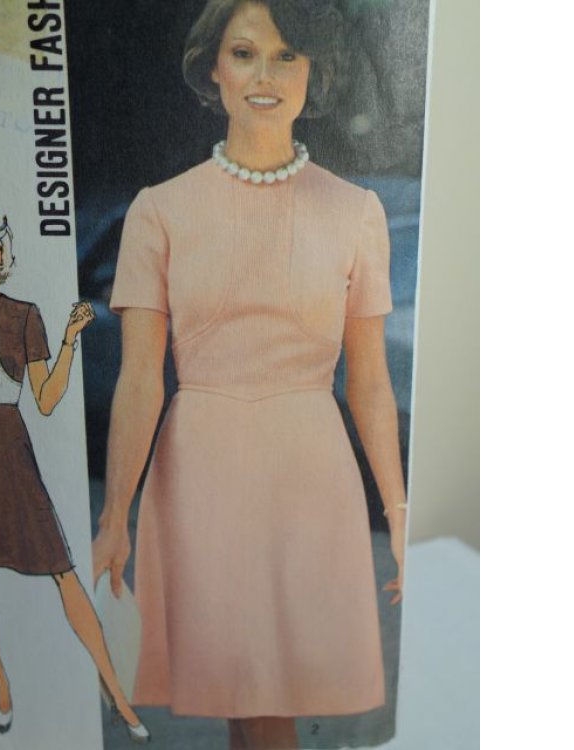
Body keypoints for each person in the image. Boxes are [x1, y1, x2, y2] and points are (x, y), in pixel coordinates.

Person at [92, 1, 408, 749]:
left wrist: (398, 512)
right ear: (213, 68)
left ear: (313, 71)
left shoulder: (357, 212)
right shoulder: (159, 212)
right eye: (244, 53)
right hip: (201, 470)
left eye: (286, 55)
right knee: (247, 698)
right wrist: (114, 519)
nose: (265, 75)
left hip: (311, 473)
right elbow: (140, 381)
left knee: (269, 701)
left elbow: (369, 383)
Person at [0, 205, 150, 743]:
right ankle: (1, 685)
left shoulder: (26, 316)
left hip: (9, 436)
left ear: (3, 255)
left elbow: (45, 399)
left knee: (61, 567)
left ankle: (116, 694)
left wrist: (68, 341)